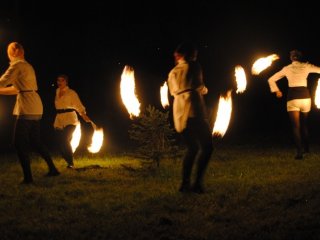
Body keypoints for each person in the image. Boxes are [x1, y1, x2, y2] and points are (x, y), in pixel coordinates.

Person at [0, 42, 60, 184]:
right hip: (35, 105)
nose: (8, 55)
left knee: (18, 143)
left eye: (9, 52)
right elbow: (15, 89)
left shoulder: (17, 65)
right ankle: (53, 169)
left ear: (15, 51)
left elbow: (2, 82)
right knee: (35, 141)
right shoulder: (26, 65)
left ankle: (28, 178)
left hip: (27, 107)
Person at [167, 41, 213, 194]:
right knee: (207, 147)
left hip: (179, 110)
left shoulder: (172, 72)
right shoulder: (194, 66)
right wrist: (205, 89)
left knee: (192, 147)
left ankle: (185, 184)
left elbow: (173, 91)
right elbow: (199, 86)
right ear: (191, 54)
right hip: (194, 108)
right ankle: (197, 184)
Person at [268, 49, 320, 159]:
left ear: (291, 58)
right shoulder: (307, 66)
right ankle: (307, 149)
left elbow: (271, 79)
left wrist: (277, 91)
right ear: (300, 57)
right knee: (304, 124)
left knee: (295, 126)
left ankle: (299, 152)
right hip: (305, 98)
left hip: (293, 98)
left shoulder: (287, 68)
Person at [53, 74, 91, 169]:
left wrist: (83, 115)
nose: (59, 82)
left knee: (65, 140)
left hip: (70, 118)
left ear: (66, 82)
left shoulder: (71, 93)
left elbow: (78, 105)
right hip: (59, 119)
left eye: (62, 80)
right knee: (59, 141)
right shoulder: (57, 91)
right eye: (58, 80)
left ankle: (71, 163)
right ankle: (67, 160)